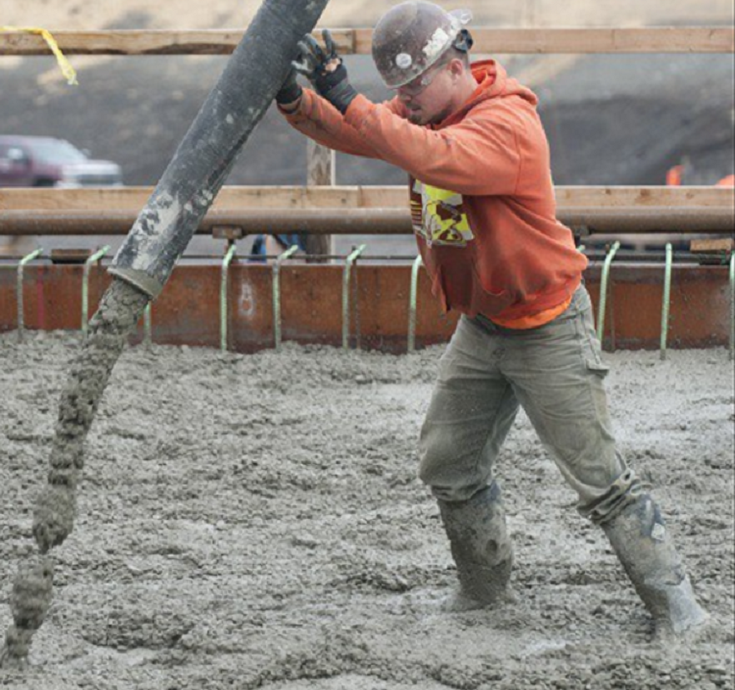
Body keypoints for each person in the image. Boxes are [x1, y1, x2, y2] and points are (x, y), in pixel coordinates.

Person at [276, 1, 708, 638]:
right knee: (448, 462)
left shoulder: (505, 122)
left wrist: (346, 92)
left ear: (459, 66)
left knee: (599, 479)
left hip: (546, 325)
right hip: (483, 326)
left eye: (414, 84)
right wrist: (296, 98)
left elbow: (438, 158)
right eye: (398, 91)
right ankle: (483, 591)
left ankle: (680, 609)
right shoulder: (430, 110)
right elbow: (366, 133)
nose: (406, 99)